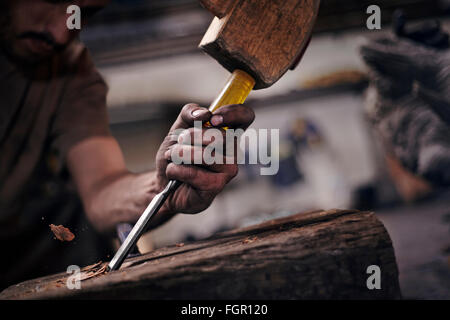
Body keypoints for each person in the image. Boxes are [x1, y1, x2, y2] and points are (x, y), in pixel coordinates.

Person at [0, 0, 255, 289]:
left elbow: (102, 191)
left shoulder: (70, 70)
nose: (61, 33)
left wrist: (163, 188)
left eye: (85, 13)